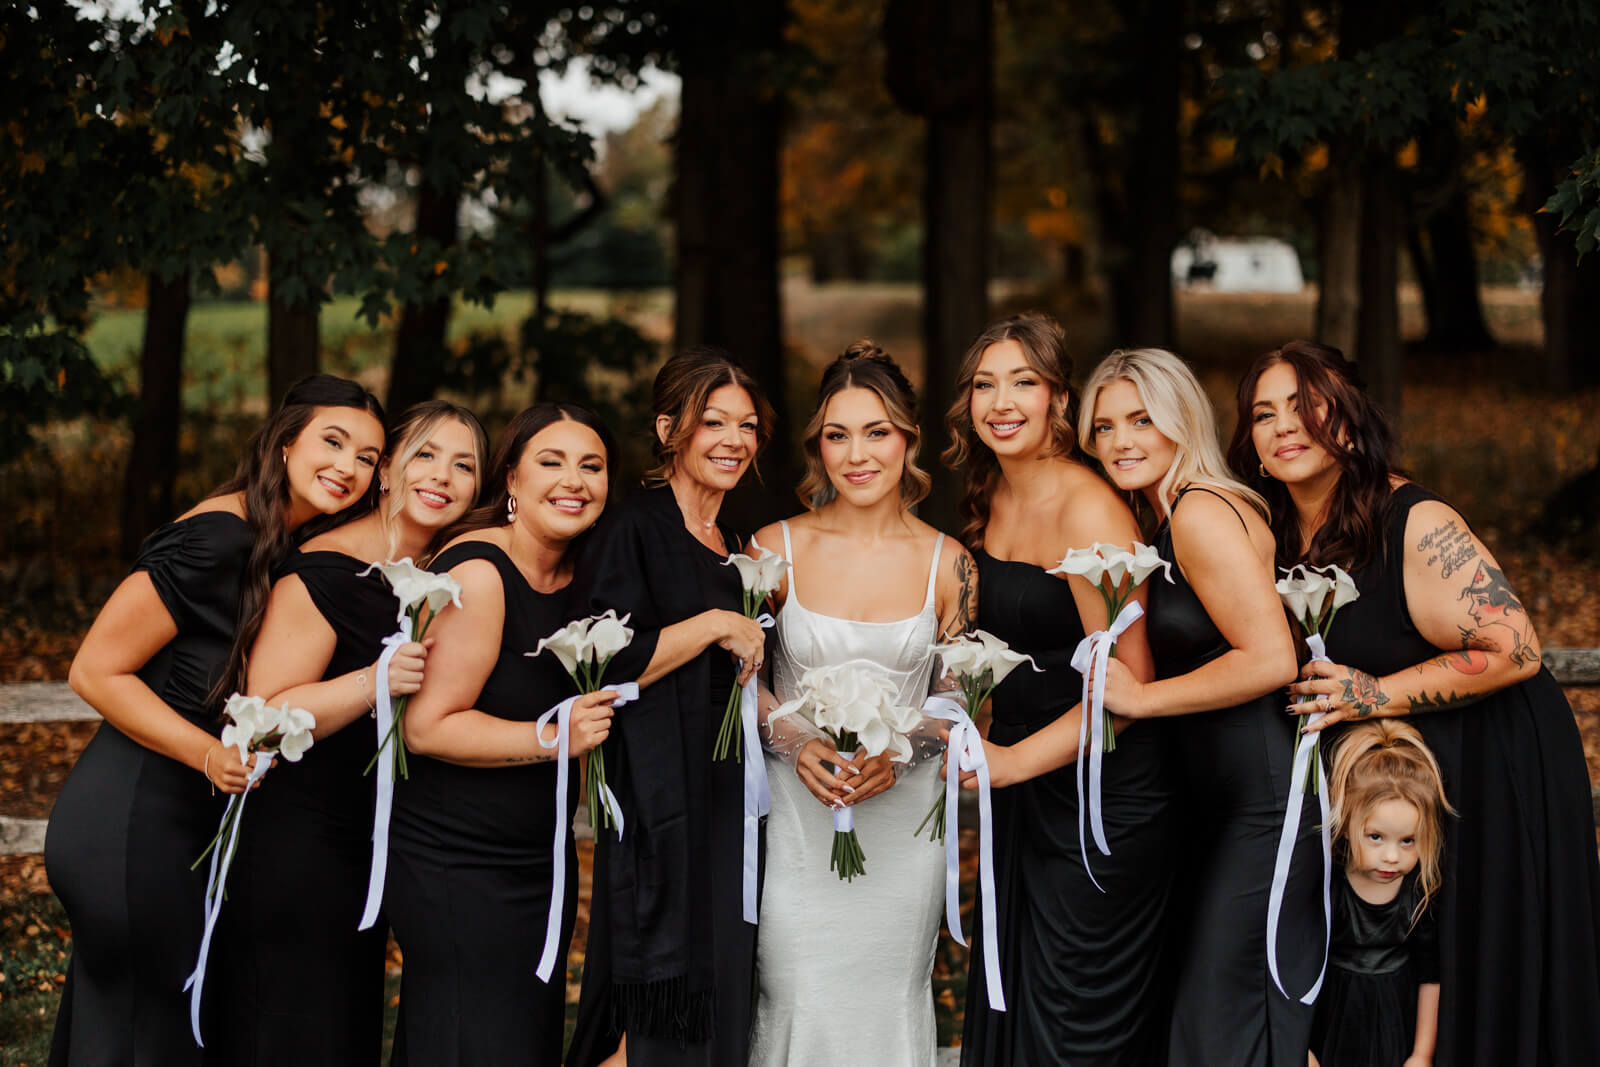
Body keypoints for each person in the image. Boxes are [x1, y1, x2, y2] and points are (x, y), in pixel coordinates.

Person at [1229, 340, 1600, 1066]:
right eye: (1263, 413)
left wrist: (1371, 695)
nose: (1284, 426)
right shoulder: (1269, 528)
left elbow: (1515, 647)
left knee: (1478, 967)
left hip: (1493, 760)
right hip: (1400, 777)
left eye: (1307, 406)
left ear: (1351, 415)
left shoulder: (1415, 519)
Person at [44, 374, 386, 1067]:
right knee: (149, 1028)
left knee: (131, 1026)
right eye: (334, 440)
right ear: (286, 443)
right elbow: (94, 670)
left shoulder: (284, 544)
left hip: (183, 826)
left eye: (370, 457)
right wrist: (206, 754)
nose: (349, 466)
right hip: (133, 820)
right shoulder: (218, 538)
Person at [211, 400, 487, 1066]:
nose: (443, 476)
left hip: (379, 844)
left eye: (464, 465)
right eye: (425, 455)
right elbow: (263, 715)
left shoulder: (453, 578)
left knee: (346, 1031)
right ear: (386, 471)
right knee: (294, 1030)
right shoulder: (322, 570)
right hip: (297, 840)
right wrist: (374, 681)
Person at [948, 314, 1178, 1065]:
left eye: (1023, 382)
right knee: (1014, 994)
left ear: (1057, 398)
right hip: (1024, 792)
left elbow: (1131, 679)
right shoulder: (992, 492)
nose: (1001, 401)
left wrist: (1009, 763)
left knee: (1075, 1017)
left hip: (1100, 800)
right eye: (985, 384)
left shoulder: (1090, 508)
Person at [1078, 348, 1316, 1065]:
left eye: (1142, 419)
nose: (1122, 440)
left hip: (1268, 801)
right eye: (1105, 425)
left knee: (1221, 1021)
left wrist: (1145, 698)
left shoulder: (1201, 510)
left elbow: (1272, 658)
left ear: (1182, 419)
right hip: (1220, 801)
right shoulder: (1162, 516)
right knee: (1228, 1016)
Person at [747, 342, 975, 1066]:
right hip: (797, 817)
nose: (857, 453)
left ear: (907, 436)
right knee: (796, 988)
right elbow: (736, 675)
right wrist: (793, 737)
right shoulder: (773, 547)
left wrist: (905, 747)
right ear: (818, 446)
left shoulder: (952, 562)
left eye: (876, 431)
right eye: (837, 434)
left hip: (903, 821)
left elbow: (959, 690)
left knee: (887, 995)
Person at [382, 403, 623, 1067]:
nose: (573, 479)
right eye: (551, 462)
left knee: (505, 1038)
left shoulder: (583, 576)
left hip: (535, 859)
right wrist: (555, 737)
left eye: (591, 466)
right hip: (453, 860)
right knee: (475, 1037)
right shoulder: (479, 574)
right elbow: (427, 727)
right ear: (510, 481)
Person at [565, 348, 773, 1067]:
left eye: (747, 425)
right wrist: (716, 626)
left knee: (718, 975)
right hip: (660, 797)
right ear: (668, 429)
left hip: (725, 792)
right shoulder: (635, 527)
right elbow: (608, 660)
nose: (733, 440)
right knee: (657, 995)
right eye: (712, 421)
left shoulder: (737, 542)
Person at [1312, 720, 1450, 1067]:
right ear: (1346, 826)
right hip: (1334, 1021)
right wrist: (1301, 1048)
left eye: (1408, 841)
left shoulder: (1420, 895)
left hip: (1394, 1022)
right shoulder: (1329, 889)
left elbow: (1430, 977)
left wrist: (1422, 1053)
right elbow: (1298, 969)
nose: (1392, 856)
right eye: (1376, 837)